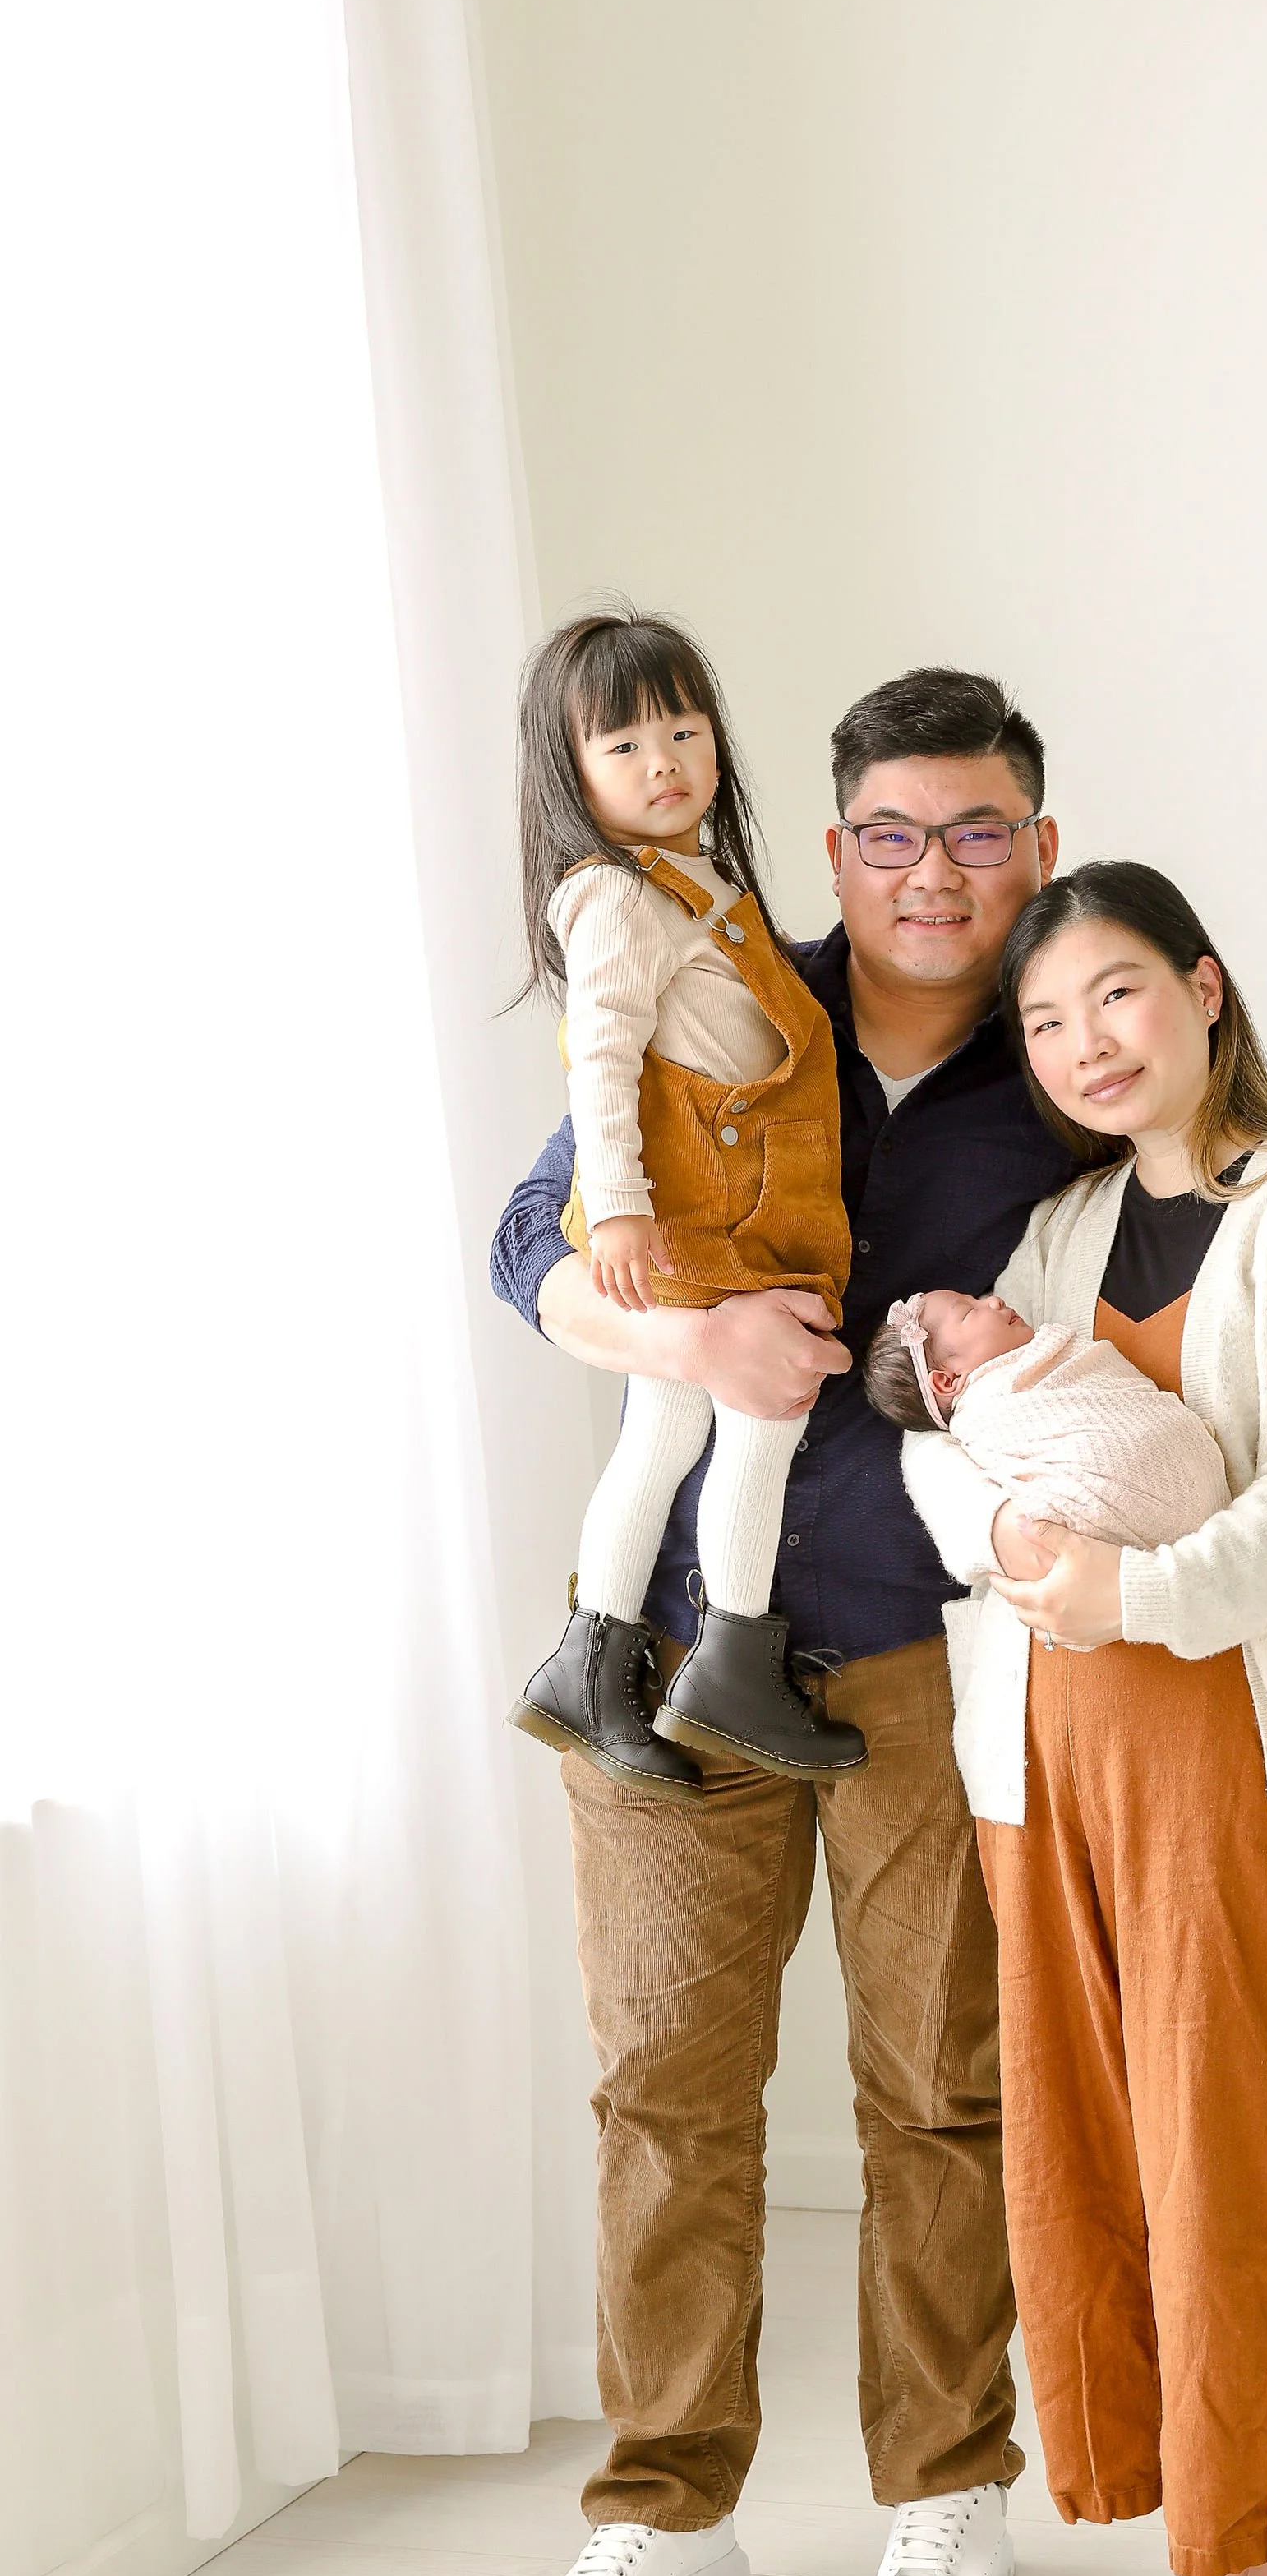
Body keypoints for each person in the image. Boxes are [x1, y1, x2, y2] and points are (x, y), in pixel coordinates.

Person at [489, 669, 1076, 2576]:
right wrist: (686, 1342)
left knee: (941, 2090)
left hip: (925, 1648)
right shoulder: (721, 976)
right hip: (663, 1650)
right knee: (664, 2089)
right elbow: (533, 1232)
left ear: (1037, 847)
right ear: (835, 847)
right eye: (893, 834)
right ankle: (664, 2517)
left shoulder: (1071, 1057)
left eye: (977, 830)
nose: (935, 871)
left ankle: (943, 2493)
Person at [901, 861, 1267, 2576]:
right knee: (1106, 2172)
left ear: (1203, 989)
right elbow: (937, 1447)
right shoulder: (1053, 1233)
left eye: (1116, 994)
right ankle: (1216, 2571)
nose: (1087, 1044)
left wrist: (1131, 1590)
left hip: (1238, 1757)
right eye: (1046, 1022)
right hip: (1042, 1763)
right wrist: (1007, 1532)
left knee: (1248, 2170)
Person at [507, 606, 865, 1788]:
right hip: (700, 1214)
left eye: (683, 731)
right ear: (570, 773)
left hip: (710, 1206)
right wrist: (614, 1201)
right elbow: (601, 1055)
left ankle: (590, 1662)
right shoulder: (614, 896)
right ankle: (731, 1667)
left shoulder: (692, 882)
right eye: (623, 745)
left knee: (664, 1432)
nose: (662, 762)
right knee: (762, 1415)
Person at [864, 1289, 1230, 1546]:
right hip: (1102, 1521)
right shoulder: (986, 1414)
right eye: (969, 1311)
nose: (993, 1300)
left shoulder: (1041, 1366)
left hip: (1187, 1495)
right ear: (948, 1380)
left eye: (976, 1298)